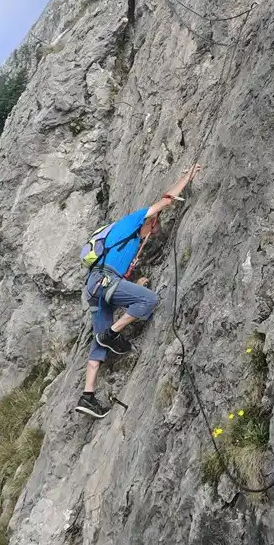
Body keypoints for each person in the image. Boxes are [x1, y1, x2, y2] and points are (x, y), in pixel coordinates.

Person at [75, 165, 201, 419]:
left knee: (98, 338)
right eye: (154, 226)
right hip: (104, 281)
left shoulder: (131, 243)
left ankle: (87, 396)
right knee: (149, 300)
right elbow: (163, 203)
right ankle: (111, 335)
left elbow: (119, 274)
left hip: (97, 286)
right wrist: (185, 179)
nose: (155, 230)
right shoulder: (130, 223)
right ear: (147, 223)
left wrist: (135, 282)